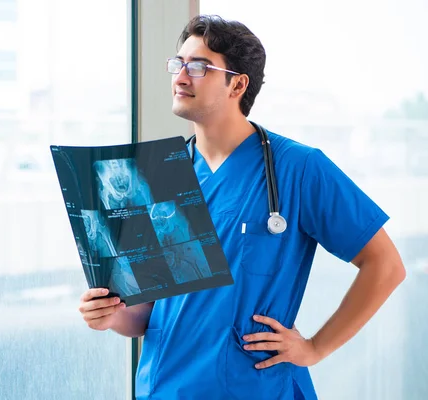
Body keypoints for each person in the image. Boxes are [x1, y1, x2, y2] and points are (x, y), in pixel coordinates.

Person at [78, 14, 406, 399]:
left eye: (199, 67)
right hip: (165, 385)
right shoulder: (159, 176)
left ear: (237, 84)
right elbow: (152, 314)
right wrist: (112, 314)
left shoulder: (297, 168)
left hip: (254, 386)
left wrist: (316, 347)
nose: (181, 77)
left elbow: (386, 265)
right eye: (178, 64)